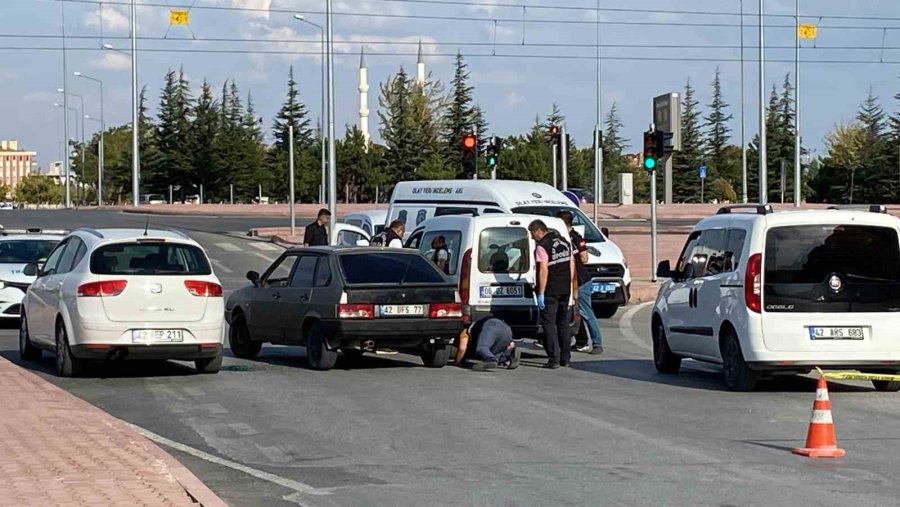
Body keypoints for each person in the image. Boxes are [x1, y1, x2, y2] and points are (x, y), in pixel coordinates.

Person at [528, 219, 576, 369]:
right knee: (563, 323)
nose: (531, 237)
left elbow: (543, 270)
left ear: (538, 231)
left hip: (551, 289)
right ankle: (566, 358)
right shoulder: (564, 242)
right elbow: (571, 264)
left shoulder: (542, 246)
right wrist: (571, 285)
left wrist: (541, 292)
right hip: (565, 288)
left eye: (532, 234)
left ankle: (553, 358)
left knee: (549, 324)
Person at [558, 210, 603, 355]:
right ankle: (581, 341)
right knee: (576, 312)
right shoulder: (569, 237)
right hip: (573, 280)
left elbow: (585, 258)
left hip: (581, 281)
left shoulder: (574, 238)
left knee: (586, 312)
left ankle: (597, 343)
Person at [455, 317, 521, 371]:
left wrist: (457, 362)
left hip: (491, 326)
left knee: (481, 348)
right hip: (507, 329)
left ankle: (491, 359)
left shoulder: (464, 331)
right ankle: (509, 358)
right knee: (494, 352)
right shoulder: (477, 326)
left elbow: (462, 348)